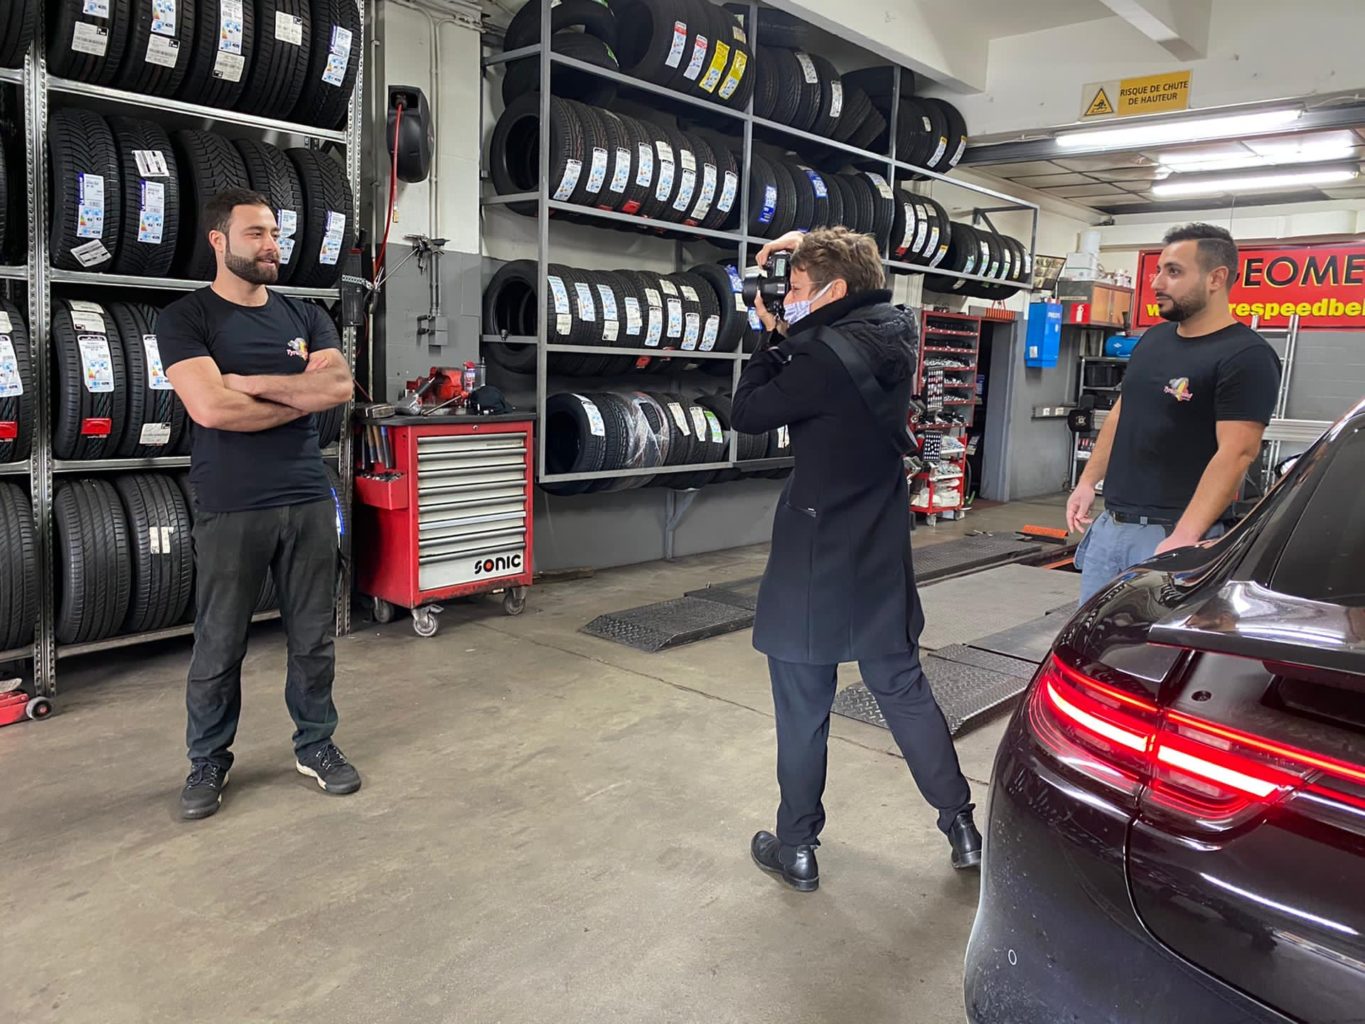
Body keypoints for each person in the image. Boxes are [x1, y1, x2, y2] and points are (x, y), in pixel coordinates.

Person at [730, 227, 979, 892]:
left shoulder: (812, 359)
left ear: (833, 290)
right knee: (903, 691)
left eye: (796, 287)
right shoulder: (897, 329)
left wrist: (770, 338)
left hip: (814, 552)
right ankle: (960, 826)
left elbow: (746, 411)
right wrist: (806, 243)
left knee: (803, 705)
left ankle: (797, 847)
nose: (786, 296)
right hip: (879, 546)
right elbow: (848, 272)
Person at [159, 187, 359, 820]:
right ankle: (209, 759)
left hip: (305, 498)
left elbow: (338, 387)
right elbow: (210, 408)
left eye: (274, 232)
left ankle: (316, 744)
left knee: (313, 638)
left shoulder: (305, 316)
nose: (272, 245)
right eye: (256, 234)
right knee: (219, 643)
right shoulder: (187, 319)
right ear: (219, 241)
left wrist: (248, 384)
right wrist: (294, 396)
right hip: (230, 504)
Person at [1067, 223, 1281, 605]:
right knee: (1094, 651)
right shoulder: (1153, 339)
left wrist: (1185, 535)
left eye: (1174, 272)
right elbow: (1121, 412)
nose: (1156, 283)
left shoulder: (1245, 356)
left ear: (1216, 278)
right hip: (1111, 525)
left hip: (1171, 533)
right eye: (1159, 270)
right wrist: (1088, 482)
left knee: (1151, 654)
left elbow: (1237, 451)